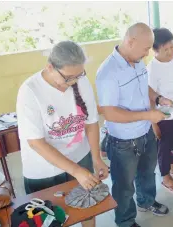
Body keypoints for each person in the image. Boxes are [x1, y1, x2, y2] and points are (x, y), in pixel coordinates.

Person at [16, 41, 109, 227]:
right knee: (49, 218)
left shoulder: (80, 81)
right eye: (68, 78)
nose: (73, 82)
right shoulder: (30, 91)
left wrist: (96, 158)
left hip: (79, 157)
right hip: (44, 169)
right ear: (50, 67)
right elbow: (36, 143)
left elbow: (91, 123)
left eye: (78, 75)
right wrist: (75, 170)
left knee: (88, 208)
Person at [96, 23, 171, 227]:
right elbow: (109, 112)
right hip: (123, 141)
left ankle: (146, 201)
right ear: (130, 42)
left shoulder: (136, 61)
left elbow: (142, 86)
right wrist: (148, 114)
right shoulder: (108, 72)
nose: (147, 54)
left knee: (147, 173)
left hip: (145, 131)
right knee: (124, 186)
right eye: (146, 48)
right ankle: (126, 221)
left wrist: (158, 98)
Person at [147, 28, 173, 194]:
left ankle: (172, 167)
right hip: (164, 115)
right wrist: (153, 123)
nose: (171, 52)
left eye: (172, 47)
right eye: (166, 50)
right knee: (164, 146)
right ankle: (165, 177)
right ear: (155, 50)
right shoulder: (152, 68)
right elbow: (149, 96)